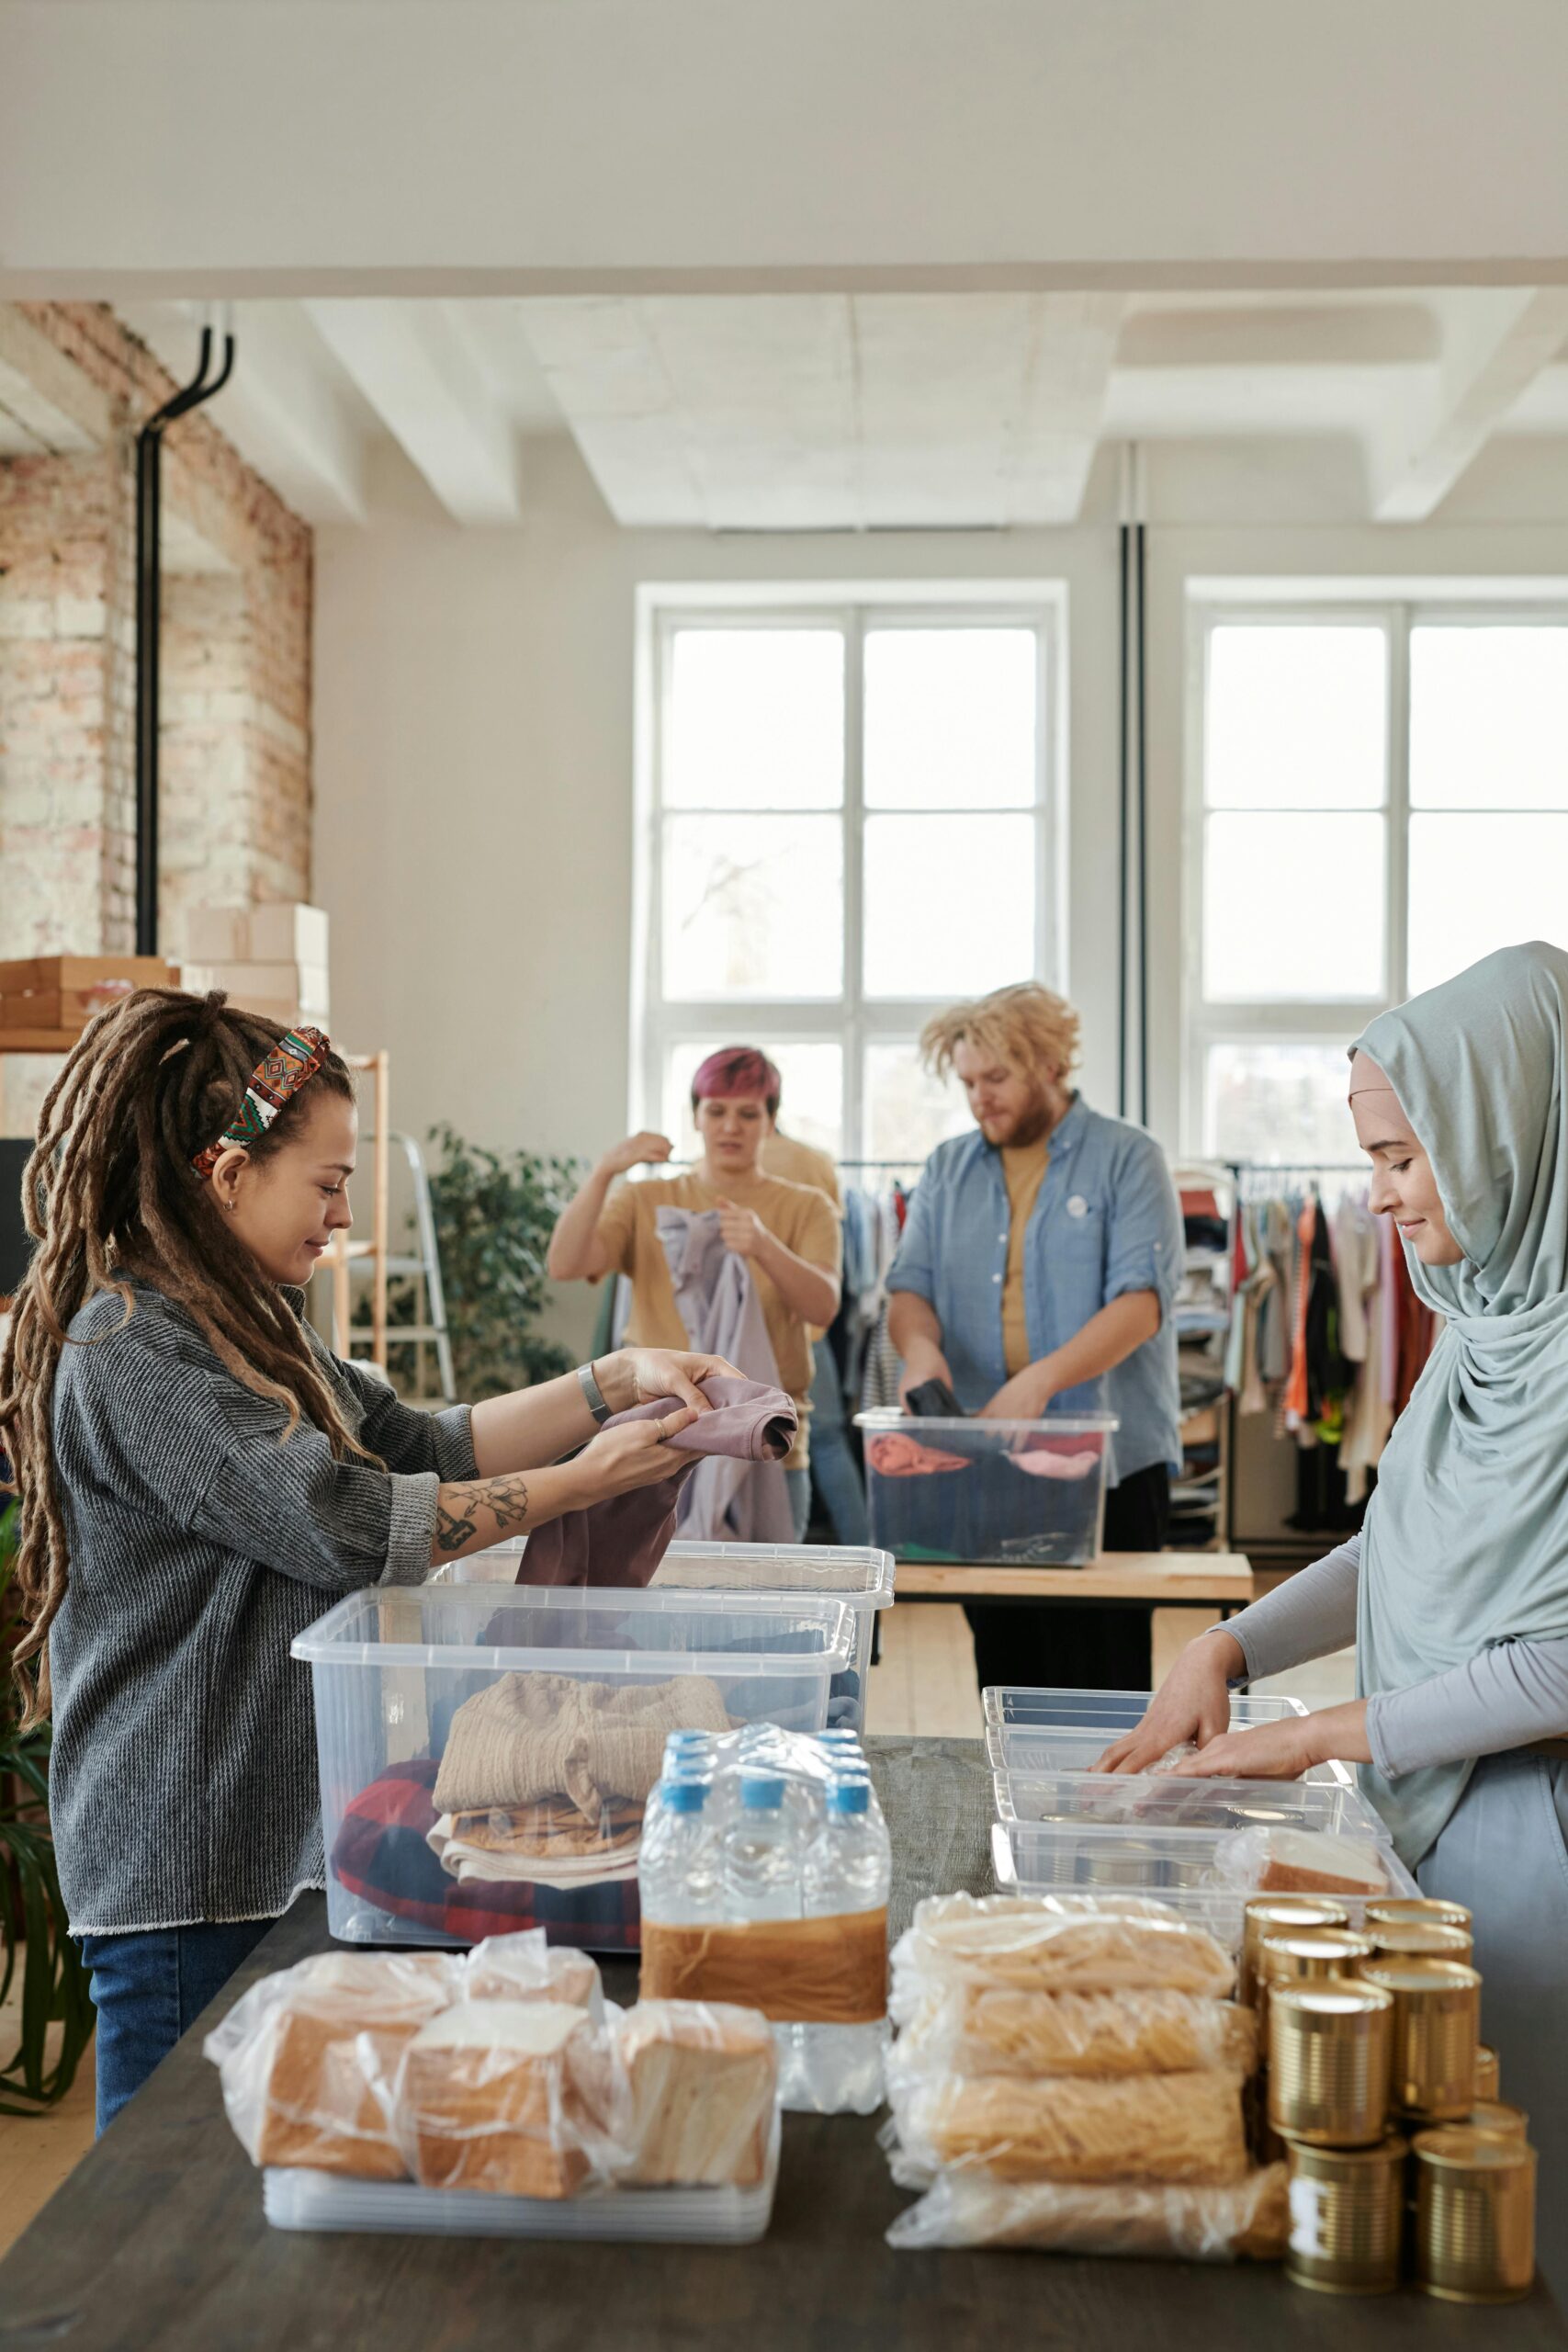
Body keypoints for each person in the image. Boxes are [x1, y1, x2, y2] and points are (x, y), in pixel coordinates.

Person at [0, 990, 739, 2132]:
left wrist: (615, 1380)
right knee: (155, 2215)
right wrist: (587, 1480)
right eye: (329, 1183)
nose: (342, 1216)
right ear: (230, 1170)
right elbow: (344, 1522)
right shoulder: (133, 1347)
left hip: (267, 1838)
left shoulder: (248, 1318)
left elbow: (417, 1443)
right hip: (184, 1862)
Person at [1098, 942, 1568, 2285]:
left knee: (1513, 2205)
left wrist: (1316, 1737)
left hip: (1530, 1832)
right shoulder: (1484, 1324)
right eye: (1369, 1160)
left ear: (1504, 1132)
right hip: (1434, 1796)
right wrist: (1227, 1644)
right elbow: (1393, 1553)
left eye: (1401, 1160)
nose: (1374, 1201)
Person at [886, 982, 1182, 1692]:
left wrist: (1038, 1382)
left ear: (1050, 1065)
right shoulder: (946, 1169)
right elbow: (909, 1289)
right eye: (967, 1082)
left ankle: (1102, 1806)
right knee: (1006, 1666)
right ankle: (1013, 1804)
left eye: (996, 1078)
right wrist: (921, 1352)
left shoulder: (1128, 1158)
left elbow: (1140, 1304)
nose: (979, 1097)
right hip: (987, 1458)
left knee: (1101, 1671)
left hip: (1109, 1466)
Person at [547, 1046, 842, 1542]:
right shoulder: (646, 1199)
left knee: (767, 1608)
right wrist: (603, 1173)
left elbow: (824, 1308)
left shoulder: (807, 1207)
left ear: (770, 1123)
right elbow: (565, 1264)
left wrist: (764, 1246)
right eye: (717, 1111)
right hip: (654, 1440)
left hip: (769, 1442)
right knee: (646, 1605)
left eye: (748, 1114)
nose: (731, 1127)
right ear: (697, 1117)